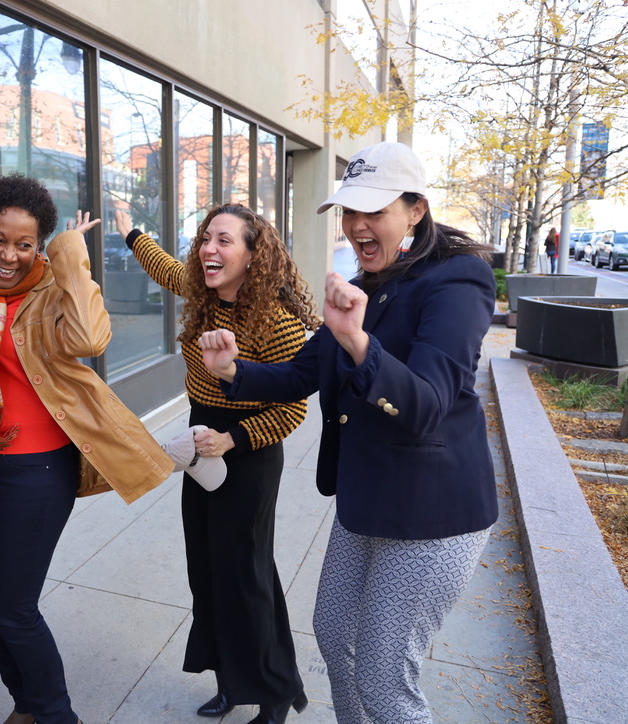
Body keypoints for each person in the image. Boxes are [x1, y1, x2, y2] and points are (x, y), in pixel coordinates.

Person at [198, 141, 498, 724]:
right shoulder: (369, 280)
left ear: (415, 209)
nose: (358, 225)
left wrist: (359, 341)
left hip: (435, 515)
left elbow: (428, 403)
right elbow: (302, 373)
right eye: (349, 211)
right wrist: (232, 370)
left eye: (374, 210)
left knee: (386, 680)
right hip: (367, 500)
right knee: (336, 638)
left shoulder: (458, 281)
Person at [0, 174, 173, 724]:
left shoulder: (50, 295)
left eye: (26, 244)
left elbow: (90, 339)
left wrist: (70, 255)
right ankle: (29, 705)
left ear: (40, 245)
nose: (9, 255)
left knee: (14, 608)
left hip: (36, 473)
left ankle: (56, 715)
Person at [116, 204, 319, 724]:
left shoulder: (276, 319)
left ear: (253, 255)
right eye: (207, 238)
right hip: (201, 442)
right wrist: (131, 231)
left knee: (245, 575)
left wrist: (233, 439)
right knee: (206, 571)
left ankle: (274, 692)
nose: (210, 248)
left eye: (225, 240)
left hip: (246, 455)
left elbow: (294, 406)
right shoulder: (203, 294)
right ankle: (230, 681)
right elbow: (164, 267)